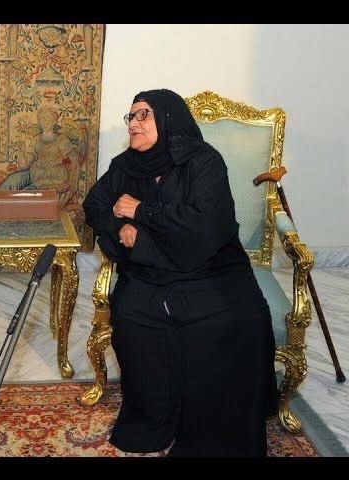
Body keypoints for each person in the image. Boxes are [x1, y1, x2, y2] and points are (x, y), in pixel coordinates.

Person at [82, 89, 278, 457]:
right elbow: (94, 205)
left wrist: (141, 212)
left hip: (210, 269)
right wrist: (120, 229)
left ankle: (213, 429)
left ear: (168, 119)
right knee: (132, 314)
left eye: (143, 115)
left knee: (230, 321)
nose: (134, 123)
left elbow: (207, 226)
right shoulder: (125, 165)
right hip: (149, 268)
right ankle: (154, 419)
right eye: (131, 117)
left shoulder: (204, 162)